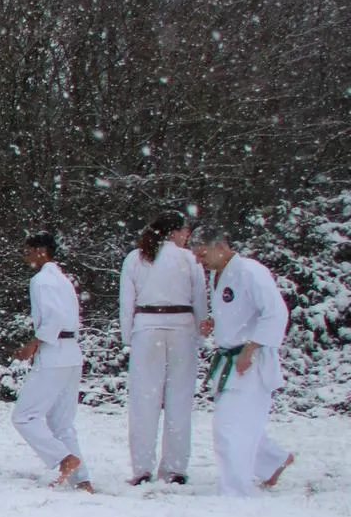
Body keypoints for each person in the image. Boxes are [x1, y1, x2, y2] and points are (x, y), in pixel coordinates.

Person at [190, 225, 294, 496]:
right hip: (231, 358)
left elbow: (275, 314)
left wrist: (251, 348)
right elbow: (238, 310)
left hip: (251, 358)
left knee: (229, 426)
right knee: (241, 421)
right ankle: (273, 462)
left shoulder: (250, 271)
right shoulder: (220, 275)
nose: (201, 262)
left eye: (204, 256)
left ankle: (235, 490)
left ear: (221, 246)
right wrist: (217, 322)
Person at [119, 211, 207, 486]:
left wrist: (128, 336)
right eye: (185, 230)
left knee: (144, 401)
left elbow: (126, 302)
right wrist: (200, 334)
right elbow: (200, 300)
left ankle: (142, 468)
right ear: (174, 232)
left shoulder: (136, 258)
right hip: (182, 328)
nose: (187, 236)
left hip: (147, 327)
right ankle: (174, 468)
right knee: (179, 400)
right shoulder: (190, 259)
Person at [10, 232, 93, 492]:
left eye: (28, 252)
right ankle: (82, 480)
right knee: (62, 422)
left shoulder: (42, 280)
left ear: (41, 251)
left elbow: (53, 318)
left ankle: (63, 458)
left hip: (54, 353)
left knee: (24, 416)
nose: (27, 257)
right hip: (71, 353)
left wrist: (33, 345)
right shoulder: (64, 280)